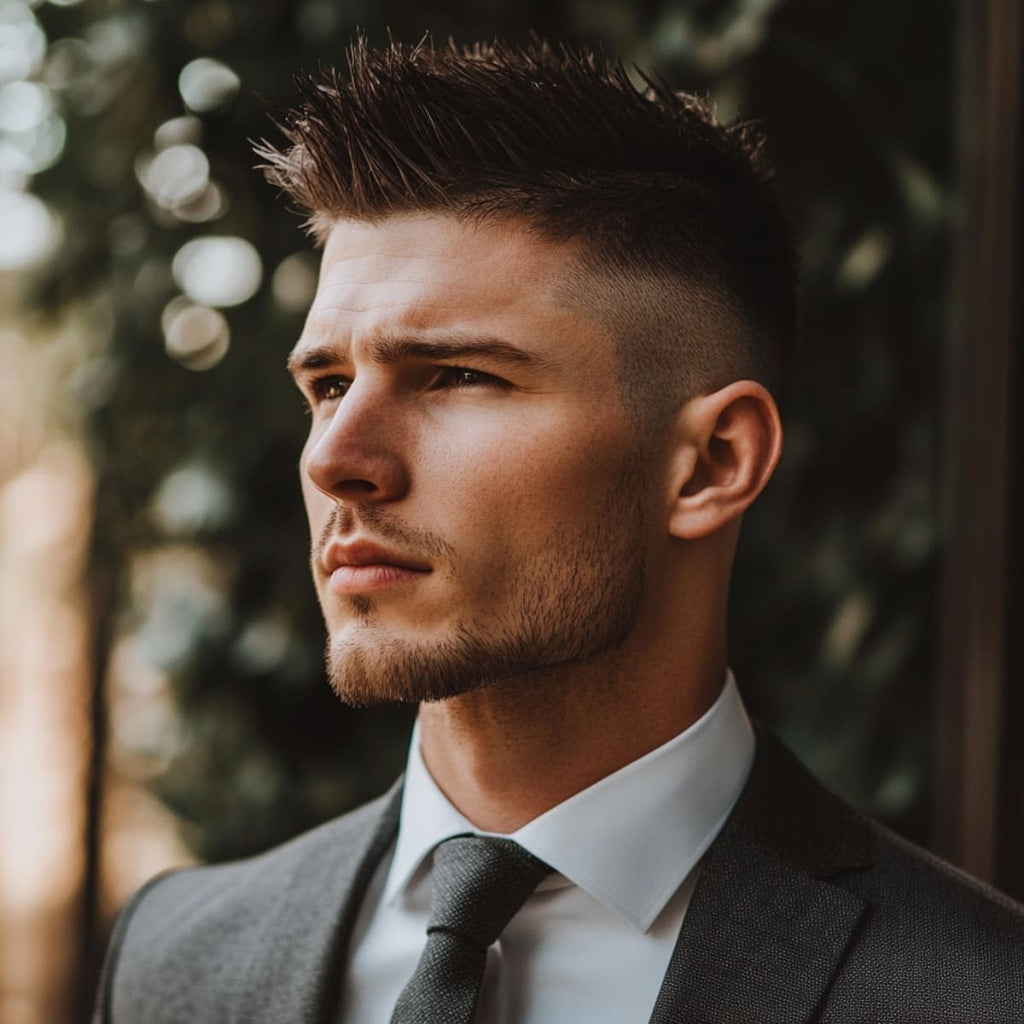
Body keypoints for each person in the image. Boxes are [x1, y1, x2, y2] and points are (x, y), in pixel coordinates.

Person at [93, 38, 1024, 1024]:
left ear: (710, 463)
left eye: (458, 375)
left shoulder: (977, 994)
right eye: (327, 385)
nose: (335, 459)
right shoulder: (173, 957)